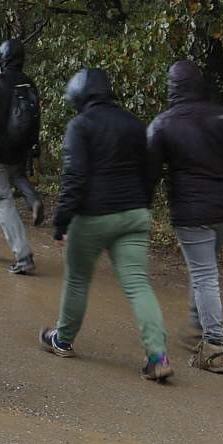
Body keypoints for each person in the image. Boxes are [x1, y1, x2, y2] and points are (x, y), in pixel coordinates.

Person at [39, 68, 171, 382]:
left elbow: (75, 176)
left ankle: (63, 339)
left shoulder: (80, 126)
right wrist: (142, 202)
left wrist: (61, 221)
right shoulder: (134, 124)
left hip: (93, 216)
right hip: (134, 213)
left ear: (78, 97)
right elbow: (153, 169)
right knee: (138, 284)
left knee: (78, 280)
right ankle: (158, 356)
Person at [147, 60, 223, 374]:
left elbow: (147, 173)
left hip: (192, 213)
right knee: (205, 270)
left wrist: (141, 209)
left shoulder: (163, 124)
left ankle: (214, 347)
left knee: (204, 276)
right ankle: (196, 327)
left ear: (172, 88)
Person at [0, 38, 43, 274]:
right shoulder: (29, 84)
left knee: (2, 200)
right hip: (19, 151)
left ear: (2, 58)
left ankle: (23, 255)